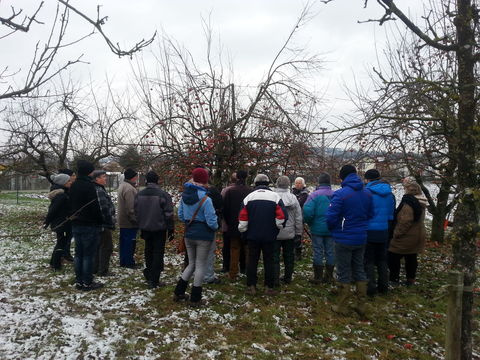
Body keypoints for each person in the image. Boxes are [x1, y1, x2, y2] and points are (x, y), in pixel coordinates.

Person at [326, 164, 373, 318]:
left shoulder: (340, 194)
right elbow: (371, 214)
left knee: (344, 271)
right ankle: (361, 305)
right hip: (361, 237)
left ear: (343, 177)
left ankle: (342, 305)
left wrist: (334, 229)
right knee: (359, 269)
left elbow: (331, 217)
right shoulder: (367, 194)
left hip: (343, 238)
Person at [173, 168, 218, 306]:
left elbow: (180, 215)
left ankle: (179, 292)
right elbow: (212, 222)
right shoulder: (206, 199)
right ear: (205, 180)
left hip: (189, 234)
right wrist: (215, 226)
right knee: (200, 266)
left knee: (191, 264)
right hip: (203, 236)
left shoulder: (184, 196)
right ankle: (195, 298)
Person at [238, 174, 287, 295]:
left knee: (252, 260)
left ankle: (251, 286)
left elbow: (243, 218)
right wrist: (278, 227)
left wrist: (243, 231)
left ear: (255, 183)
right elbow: (282, 217)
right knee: (269, 261)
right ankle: (268, 287)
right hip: (269, 235)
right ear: (268, 183)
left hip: (252, 235)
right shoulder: (275, 197)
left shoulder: (248, 197)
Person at [135, 171, 175, 288]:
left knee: (148, 250)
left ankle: (149, 273)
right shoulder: (163, 195)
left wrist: (140, 224)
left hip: (145, 227)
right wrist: (171, 228)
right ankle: (154, 279)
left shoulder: (139, 195)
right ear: (157, 180)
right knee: (158, 252)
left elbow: (136, 212)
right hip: (159, 228)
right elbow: (168, 214)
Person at [69, 160, 104, 291]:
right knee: (88, 254)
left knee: (79, 253)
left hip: (76, 223)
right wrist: (100, 221)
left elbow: (70, 204)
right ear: (89, 172)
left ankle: (79, 280)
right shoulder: (89, 186)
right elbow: (94, 207)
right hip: (89, 224)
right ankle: (87, 282)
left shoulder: (73, 185)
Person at [388, 179, 427, 287]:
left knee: (393, 255)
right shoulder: (421, 201)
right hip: (418, 233)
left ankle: (393, 279)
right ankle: (411, 279)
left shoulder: (409, 202)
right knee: (411, 257)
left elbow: (405, 221)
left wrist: (396, 233)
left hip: (407, 235)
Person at [363, 169, 395, 296]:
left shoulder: (366, 193)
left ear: (367, 179)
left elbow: (364, 211)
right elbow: (391, 214)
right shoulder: (389, 193)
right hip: (384, 229)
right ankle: (384, 286)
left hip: (369, 230)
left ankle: (370, 287)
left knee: (369, 260)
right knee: (382, 259)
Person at [303, 172, 334, 284]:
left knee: (318, 252)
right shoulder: (335, 194)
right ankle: (329, 276)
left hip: (317, 228)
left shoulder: (314, 195)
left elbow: (307, 212)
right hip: (331, 228)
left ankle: (318, 277)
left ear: (319, 182)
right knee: (330, 252)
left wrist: (310, 222)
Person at [273, 176, 302, 286]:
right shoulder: (293, 198)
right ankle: (288, 277)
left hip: (275, 231)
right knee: (289, 256)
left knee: (274, 256)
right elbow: (298, 217)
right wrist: (299, 233)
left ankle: (275, 279)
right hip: (290, 232)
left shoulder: (273, 197)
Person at [222, 170, 252, 281]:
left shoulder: (230, 192)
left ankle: (233, 274)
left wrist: (229, 222)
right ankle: (249, 272)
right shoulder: (251, 191)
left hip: (234, 225)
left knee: (234, 249)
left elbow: (225, 210)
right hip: (248, 225)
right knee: (248, 250)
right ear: (247, 177)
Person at [44, 173, 73, 270]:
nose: (71, 182)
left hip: (63, 222)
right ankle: (55, 264)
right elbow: (53, 210)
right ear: (63, 183)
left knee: (61, 243)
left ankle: (54, 263)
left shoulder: (64, 193)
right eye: (68, 181)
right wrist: (47, 222)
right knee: (61, 243)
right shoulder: (61, 196)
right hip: (61, 223)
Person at [91, 170, 116, 277]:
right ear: (97, 179)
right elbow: (103, 208)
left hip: (98, 223)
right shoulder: (99, 190)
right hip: (103, 224)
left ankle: (95, 268)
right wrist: (109, 220)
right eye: (103, 177)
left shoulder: (96, 188)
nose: (105, 178)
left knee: (98, 246)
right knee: (107, 246)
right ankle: (103, 271)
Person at [117, 168, 139, 268]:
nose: (137, 178)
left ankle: (123, 261)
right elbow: (131, 208)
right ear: (133, 177)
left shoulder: (123, 185)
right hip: (128, 221)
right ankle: (128, 262)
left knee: (124, 242)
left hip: (123, 220)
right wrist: (135, 220)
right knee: (129, 243)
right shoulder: (129, 189)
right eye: (136, 176)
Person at [220, 172, 238, 273]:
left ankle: (226, 266)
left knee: (226, 246)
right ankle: (239, 265)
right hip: (238, 223)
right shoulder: (244, 190)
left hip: (226, 223)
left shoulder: (225, 190)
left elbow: (222, 205)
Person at [57, 168, 76, 261]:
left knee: (68, 236)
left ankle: (65, 253)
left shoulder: (70, 188)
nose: (74, 177)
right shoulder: (62, 191)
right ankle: (60, 257)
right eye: (72, 175)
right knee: (63, 238)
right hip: (63, 219)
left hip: (68, 218)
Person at [291, 176, 309, 260]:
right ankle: (291, 252)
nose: (298, 185)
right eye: (296, 183)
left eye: (299, 183)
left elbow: (299, 203)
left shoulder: (305, 194)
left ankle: (298, 253)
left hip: (300, 217)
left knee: (298, 235)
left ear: (303, 184)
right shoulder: (292, 192)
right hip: (291, 217)